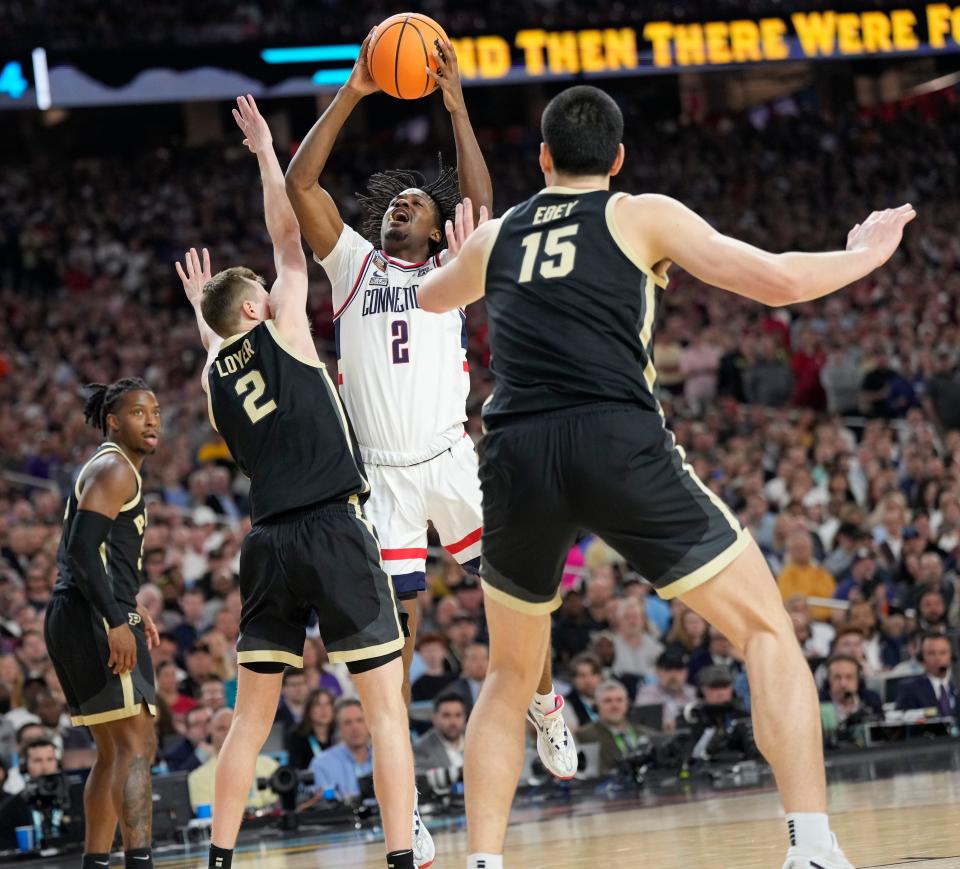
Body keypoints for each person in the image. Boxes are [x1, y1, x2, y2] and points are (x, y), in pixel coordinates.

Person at [417, 84, 914, 869]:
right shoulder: (640, 212)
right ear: (617, 160)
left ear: (542, 158)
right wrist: (868, 253)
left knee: (511, 675)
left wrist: (460, 253)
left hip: (515, 451)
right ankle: (811, 847)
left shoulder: (501, 233)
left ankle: (481, 861)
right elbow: (778, 279)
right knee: (764, 631)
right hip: (614, 438)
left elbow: (429, 296)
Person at [285, 29, 577, 784]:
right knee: (398, 634)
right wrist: (352, 90)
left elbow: (479, 201)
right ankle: (403, 788)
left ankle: (546, 703)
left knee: (513, 593)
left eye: (415, 205)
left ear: (434, 226)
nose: (401, 210)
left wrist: (456, 106)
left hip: (451, 457)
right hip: (380, 475)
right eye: (396, 204)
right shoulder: (351, 264)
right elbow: (301, 186)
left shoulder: (454, 264)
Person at [176, 95, 421, 869]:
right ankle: (401, 858)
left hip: (268, 542)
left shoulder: (216, 377)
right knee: (385, 711)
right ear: (257, 305)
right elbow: (288, 236)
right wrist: (262, 154)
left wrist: (202, 316)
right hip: (334, 527)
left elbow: (217, 345)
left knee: (249, 719)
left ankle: (217, 857)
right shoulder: (281, 324)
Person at [42, 380, 162, 869]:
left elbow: (91, 553)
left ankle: (96, 862)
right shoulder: (115, 468)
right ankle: (140, 862)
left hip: (76, 612)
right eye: (138, 412)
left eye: (154, 412)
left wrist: (130, 602)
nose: (151, 420)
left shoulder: (110, 467)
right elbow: (80, 550)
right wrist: (116, 618)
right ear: (114, 421)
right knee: (137, 745)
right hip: (93, 616)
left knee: (112, 751)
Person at [188, 708, 277, 813]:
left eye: (234, 726)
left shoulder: (270, 765)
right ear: (210, 734)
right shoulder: (197, 778)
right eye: (221, 728)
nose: (228, 732)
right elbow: (206, 817)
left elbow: (278, 804)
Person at [575, 680, 651, 775]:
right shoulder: (584, 736)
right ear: (596, 706)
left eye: (619, 700)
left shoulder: (647, 733)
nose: (615, 706)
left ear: (628, 704)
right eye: (608, 701)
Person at [309, 698, 371, 800]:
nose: (355, 727)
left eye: (360, 720)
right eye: (347, 723)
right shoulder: (321, 764)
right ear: (338, 728)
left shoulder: (386, 760)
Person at [894, 633, 958, 719]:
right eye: (931, 653)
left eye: (943, 653)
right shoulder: (909, 689)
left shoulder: (956, 687)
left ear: (951, 657)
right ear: (921, 657)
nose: (937, 658)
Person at [635, 650, 697, 731]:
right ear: (657, 671)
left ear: (686, 672)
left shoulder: (693, 693)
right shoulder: (647, 693)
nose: (673, 675)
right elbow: (644, 724)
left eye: (678, 669)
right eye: (668, 669)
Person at [413, 692, 468, 774]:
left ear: (465, 717)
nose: (453, 722)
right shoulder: (421, 749)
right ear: (434, 718)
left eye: (458, 715)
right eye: (446, 715)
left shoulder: (476, 743)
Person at [284, 688, 337, 771]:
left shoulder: (340, 733)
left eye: (328, 704)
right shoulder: (297, 736)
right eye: (318, 705)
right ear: (308, 709)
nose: (324, 709)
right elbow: (295, 768)